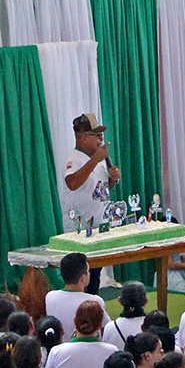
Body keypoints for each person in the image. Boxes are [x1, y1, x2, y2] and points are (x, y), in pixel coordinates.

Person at [63, 114, 121, 291]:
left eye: (101, 135)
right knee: (80, 277)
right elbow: (72, 183)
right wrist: (95, 159)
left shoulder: (98, 161)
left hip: (98, 226)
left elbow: (99, 190)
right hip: (80, 229)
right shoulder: (74, 159)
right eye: (97, 135)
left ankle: (92, 304)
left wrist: (112, 180)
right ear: (84, 138)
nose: (101, 139)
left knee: (94, 276)